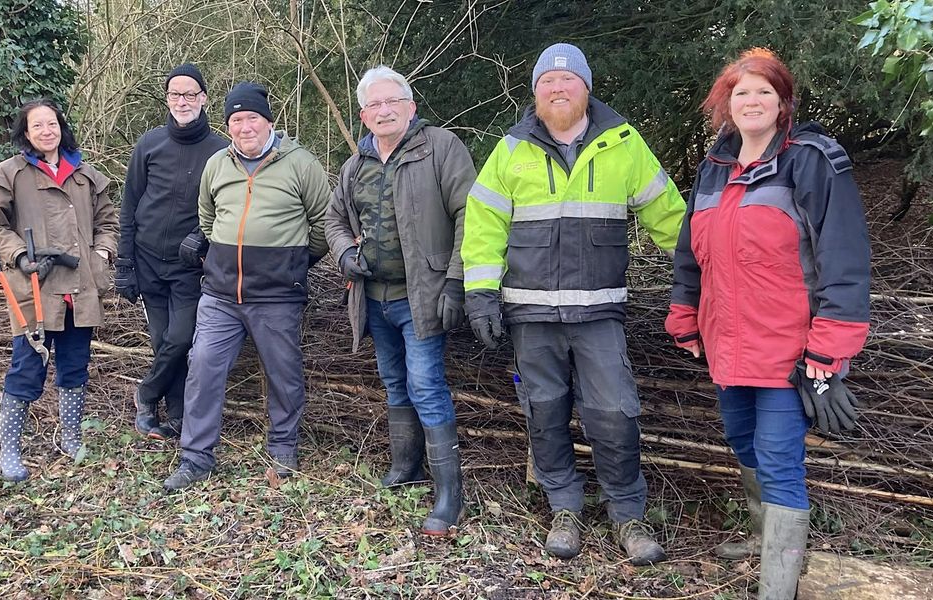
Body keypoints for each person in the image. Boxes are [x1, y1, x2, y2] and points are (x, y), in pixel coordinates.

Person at [462, 43, 684, 563]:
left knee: (615, 412)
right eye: (547, 82)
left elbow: (670, 217)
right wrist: (480, 294)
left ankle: (628, 514)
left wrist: (703, 277)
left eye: (567, 81)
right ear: (535, 91)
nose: (557, 90)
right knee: (543, 411)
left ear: (586, 87)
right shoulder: (511, 149)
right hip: (529, 316)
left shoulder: (623, 146)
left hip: (599, 313)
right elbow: (483, 224)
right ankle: (565, 505)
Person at [665, 48, 870, 599]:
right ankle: (766, 541)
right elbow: (692, 254)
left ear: (782, 102)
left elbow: (844, 256)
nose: (751, 101)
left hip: (788, 348)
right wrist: (685, 316)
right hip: (727, 345)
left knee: (780, 458)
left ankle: (777, 586)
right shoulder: (713, 168)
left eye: (763, 92)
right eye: (741, 93)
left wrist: (829, 349)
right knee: (742, 441)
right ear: (725, 106)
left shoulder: (812, 160)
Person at [326, 66, 476, 535]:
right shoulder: (357, 164)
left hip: (422, 297)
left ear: (411, 107)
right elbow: (332, 219)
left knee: (426, 385)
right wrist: (346, 253)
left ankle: (450, 494)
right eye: (375, 104)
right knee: (395, 384)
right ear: (364, 115)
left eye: (394, 101)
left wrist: (456, 282)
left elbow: (471, 213)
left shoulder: (440, 148)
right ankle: (405, 468)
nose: (384, 110)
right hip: (374, 299)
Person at [163, 81, 330, 491]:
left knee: (283, 371)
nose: (244, 127)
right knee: (202, 366)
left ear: (268, 121)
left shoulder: (300, 164)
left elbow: (325, 222)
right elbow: (206, 216)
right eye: (236, 120)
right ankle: (196, 457)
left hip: (277, 293)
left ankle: (283, 447)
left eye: (251, 117)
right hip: (220, 293)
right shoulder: (218, 164)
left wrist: (294, 263)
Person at [0, 98, 119, 482]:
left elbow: (108, 221)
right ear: (26, 132)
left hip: (82, 288)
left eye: (52, 124)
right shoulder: (10, 174)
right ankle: (10, 452)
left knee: (75, 367)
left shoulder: (86, 175)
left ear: (61, 127)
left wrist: (102, 255)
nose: (46, 131)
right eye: (37, 126)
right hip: (36, 291)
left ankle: (71, 439)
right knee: (27, 368)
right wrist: (20, 256)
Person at [116, 64, 228, 441]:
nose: (182, 101)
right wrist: (125, 263)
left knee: (181, 339)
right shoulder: (150, 143)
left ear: (204, 99)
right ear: (167, 99)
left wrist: (202, 237)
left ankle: (146, 394)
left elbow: (224, 207)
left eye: (190, 94)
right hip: (146, 260)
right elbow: (129, 205)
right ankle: (178, 417)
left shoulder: (219, 151)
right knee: (164, 342)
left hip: (188, 267)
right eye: (175, 95)